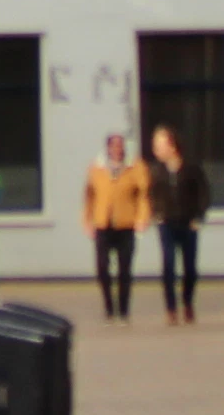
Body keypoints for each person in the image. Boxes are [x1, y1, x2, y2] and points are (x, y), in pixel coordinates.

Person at [148, 123, 213, 321]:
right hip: (166, 222)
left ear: (172, 146)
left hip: (188, 222)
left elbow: (204, 193)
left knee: (190, 267)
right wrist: (156, 213)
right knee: (168, 264)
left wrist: (199, 217)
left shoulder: (191, 168)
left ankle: (187, 302)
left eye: (160, 145)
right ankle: (171, 309)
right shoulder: (156, 171)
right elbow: (151, 194)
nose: (156, 150)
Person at [78, 132, 146, 321]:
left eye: (120, 145)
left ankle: (123, 309)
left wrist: (141, 218)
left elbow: (143, 194)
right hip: (103, 223)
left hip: (126, 224)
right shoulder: (97, 168)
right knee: (102, 268)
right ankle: (109, 306)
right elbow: (89, 196)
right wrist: (87, 220)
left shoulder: (135, 166)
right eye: (114, 146)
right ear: (107, 148)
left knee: (125, 269)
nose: (118, 149)